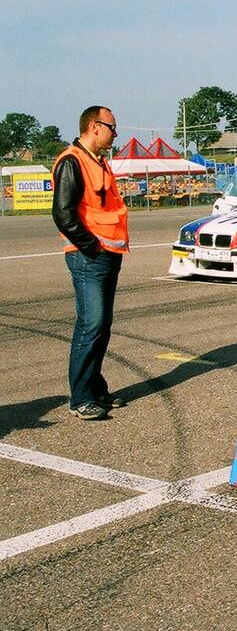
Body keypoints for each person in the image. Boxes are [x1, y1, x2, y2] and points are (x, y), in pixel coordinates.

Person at [52, 106, 130, 421]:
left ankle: (96, 389)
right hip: (89, 257)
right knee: (91, 325)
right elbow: (63, 213)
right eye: (112, 127)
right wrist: (92, 247)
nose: (115, 133)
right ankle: (81, 398)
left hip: (108, 254)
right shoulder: (72, 161)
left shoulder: (98, 161)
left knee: (101, 327)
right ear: (94, 126)